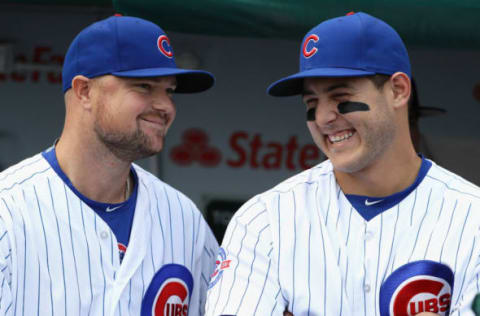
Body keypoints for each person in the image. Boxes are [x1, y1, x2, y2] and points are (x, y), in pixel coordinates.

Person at [205, 12, 480, 316]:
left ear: (398, 90)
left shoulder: (472, 216)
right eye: (311, 104)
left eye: (340, 97)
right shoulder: (264, 220)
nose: (323, 118)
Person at [0, 15, 219, 315]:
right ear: (84, 91)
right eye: (144, 86)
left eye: (169, 90)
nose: (166, 106)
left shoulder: (184, 220)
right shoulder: (8, 211)